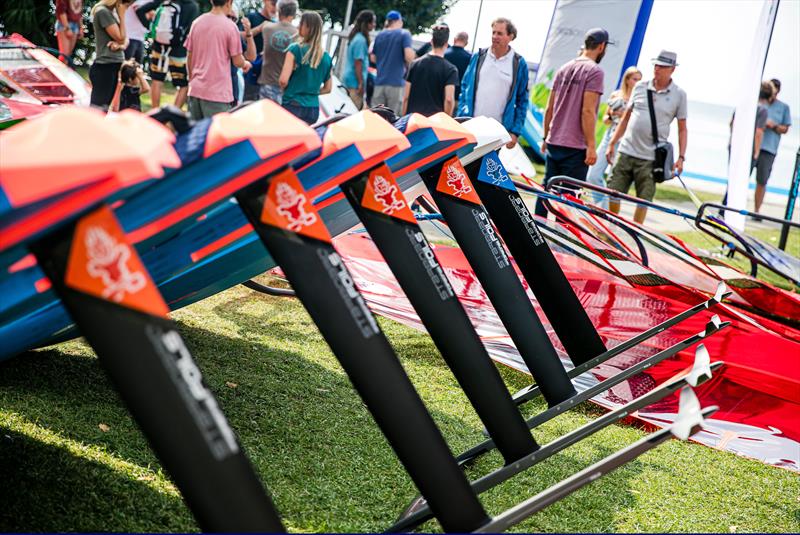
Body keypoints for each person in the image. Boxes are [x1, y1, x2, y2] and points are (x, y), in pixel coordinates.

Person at [606, 50, 688, 224]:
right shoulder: (640, 86)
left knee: (643, 200)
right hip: (626, 150)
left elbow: (682, 129)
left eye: (662, 66)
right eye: (656, 65)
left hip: (651, 159)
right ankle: (611, 230)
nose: (657, 69)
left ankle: (635, 234)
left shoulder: (679, 95)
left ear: (672, 69)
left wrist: (681, 157)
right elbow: (626, 117)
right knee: (612, 192)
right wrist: (612, 143)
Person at [534, 27, 608, 217]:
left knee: (546, 192)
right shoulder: (595, 72)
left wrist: (545, 137)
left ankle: (535, 234)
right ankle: (562, 241)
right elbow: (588, 111)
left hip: (554, 140)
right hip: (575, 146)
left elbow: (550, 108)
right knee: (569, 199)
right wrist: (591, 146)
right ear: (601, 47)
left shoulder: (564, 68)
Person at [457, 18, 529, 150]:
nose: (495, 36)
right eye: (493, 32)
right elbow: (465, 87)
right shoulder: (478, 56)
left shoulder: (518, 63)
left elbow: (522, 100)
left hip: (497, 133)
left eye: (500, 33)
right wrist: (462, 114)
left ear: (511, 36)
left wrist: (515, 131)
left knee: (486, 169)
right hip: (470, 127)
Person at [585, 66, 642, 208]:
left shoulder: (640, 99)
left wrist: (624, 116)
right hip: (609, 137)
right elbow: (605, 118)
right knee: (593, 174)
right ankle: (602, 205)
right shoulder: (616, 95)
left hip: (625, 141)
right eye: (635, 79)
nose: (637, 82)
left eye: (640, 80)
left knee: (614, 181)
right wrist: (611, 116)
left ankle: (605, 212)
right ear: (627, 80)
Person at [183, 0, 250, 120]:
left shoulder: (197, 22)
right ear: (229, 2)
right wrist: (245, 63)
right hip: (217, 94)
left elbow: (189, 56)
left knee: (195, 135)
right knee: (214, 135)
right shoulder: (230, 27)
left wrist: (191, 78)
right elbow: (237, 61)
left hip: (195, 90)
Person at [139, 0, 199, 109]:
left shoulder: (166, 1)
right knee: (184, 84)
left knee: (157, 80)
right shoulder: (192, 6)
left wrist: (150, 27)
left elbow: (140, 10)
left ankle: (155, 113)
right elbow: (191, 31)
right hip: (179, 50)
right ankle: (173, 114)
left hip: (159, 47)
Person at [278, 11, 332, 124]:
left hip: (293, 104)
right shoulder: (326, 57)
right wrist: (310, 92)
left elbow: (283, 81)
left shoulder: (295, 49)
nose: (298, 27)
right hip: (313, 109)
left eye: (301, 24)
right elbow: (328, 88)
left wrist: (291, 89)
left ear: (308, 28)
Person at [403, 24, 458, 116]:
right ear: (446, 44)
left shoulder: (414, 64)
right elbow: (449, 99)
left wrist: (404, 118)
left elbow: (406, 97)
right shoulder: (451, 69)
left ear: (431, 42)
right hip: (434, 122)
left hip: (413, 119)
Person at [756, 78, 793, 212]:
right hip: (754, 146)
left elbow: (786, 128)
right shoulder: (760, 102)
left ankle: (756, 211)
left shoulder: (783, 108)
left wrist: (774, 125)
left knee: (762, 181)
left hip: (769, 148)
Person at [370, 10, 414, 114]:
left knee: (376, 118)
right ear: (398, 21)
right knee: (393, 121)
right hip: (396, 84)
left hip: (379, 83)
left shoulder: (380, 35)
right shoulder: (404, 34)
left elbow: (373, 58)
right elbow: (409, 57)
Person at [89, 0, 130, 109]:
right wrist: (122, 16)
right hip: (104, 66)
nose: (128, 6)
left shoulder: (112, 13)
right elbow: (121, 37)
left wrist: (121, 45)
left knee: (104, 108)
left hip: (112, 65)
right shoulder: (103, 12)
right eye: (127, 2)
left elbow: (126, 38)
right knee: (98, 110)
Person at [258, 0, 298, 104]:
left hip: (267, 83)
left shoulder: (267, 28)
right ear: (294, 14)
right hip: (288, 88)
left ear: (278, 10)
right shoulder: (298, 35)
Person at [242, 0, 278, 101]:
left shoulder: (276, 25)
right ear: (265, 1)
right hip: (249, 74)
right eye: (273, 3)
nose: (275, 8)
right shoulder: (252, 17)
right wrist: (259, 28)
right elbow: (238, 37)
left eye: (278, 5)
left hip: (267, 78)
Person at [342, 10, 376, 110]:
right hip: (355, 82)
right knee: (353, 113)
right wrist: (361, 83)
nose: (374, 25)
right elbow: (358, 63)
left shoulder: (356, 37)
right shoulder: (361, 40)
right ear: (367, 23)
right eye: (373, 22)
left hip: (350, 80)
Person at [444, 31, 471, 101]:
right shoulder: (469, 58)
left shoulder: (444, 54)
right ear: (466, 43)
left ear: (454, 40)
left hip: (441, 96)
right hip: (458, 98)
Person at [55, 0, 84, 65]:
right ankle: (58, 73)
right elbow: (61, 11)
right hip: (64, 24)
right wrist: (67, 28)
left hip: (75, 24)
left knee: (68, 55)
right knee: (64, 55)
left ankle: (63, 73)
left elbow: (79, 13)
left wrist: (81, 28)